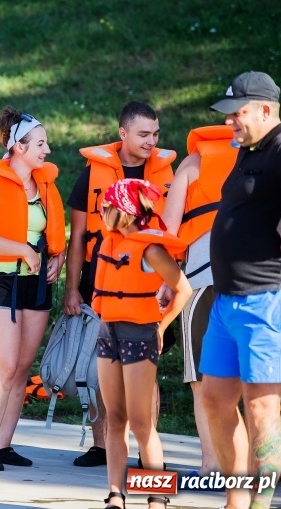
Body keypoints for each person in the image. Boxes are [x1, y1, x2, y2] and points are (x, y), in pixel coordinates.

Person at [63, 101, 176, 467]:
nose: (151, 141)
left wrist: (166, 303)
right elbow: (77, 236)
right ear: (123, 133)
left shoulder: (163, 170)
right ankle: (103, 449)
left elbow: (175, 233)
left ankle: (148, 456)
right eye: (144, 134)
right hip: (102, 279)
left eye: (156, 134)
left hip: (150, 284)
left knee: (146, 372)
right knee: (102, 368)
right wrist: (72, 287)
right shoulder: (92, 173)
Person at [200, 71, 281, 509]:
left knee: (261, 409)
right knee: (216, 400)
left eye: (237, 113)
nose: (230, 122)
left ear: (265, 110)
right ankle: (236, 502)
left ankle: (259, 505)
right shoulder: (251, 149)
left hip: (265, 298)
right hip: (226, 300)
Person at [0, 107, 65, 470]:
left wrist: (59, 256)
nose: (48, 149)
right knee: (5, 366)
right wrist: (22, 249)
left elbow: (48, 233)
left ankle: (4, 444)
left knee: (22, 368)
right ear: (18, 147)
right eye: (40, 143)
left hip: (35, 284)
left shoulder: (44, 185)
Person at [93, 178, 191, 509]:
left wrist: (161, 327)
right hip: (108, 334)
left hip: (140, 337)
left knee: (141, 423)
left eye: (106, 206)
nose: (102, 211)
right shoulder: (109, 243)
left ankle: (158, 495)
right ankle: (115, 495)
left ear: (124, 211)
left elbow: (184, 290)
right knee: (115, 419)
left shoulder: (149, 249)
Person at [160, 125, 238, 480]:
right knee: (250, 381)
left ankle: (211, 466)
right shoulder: (261, 160)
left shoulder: (192, 163)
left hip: (202, 281)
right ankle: (250, 470)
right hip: (255, 284)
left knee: (202, 380)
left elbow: (169, 231)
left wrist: (168, 280)